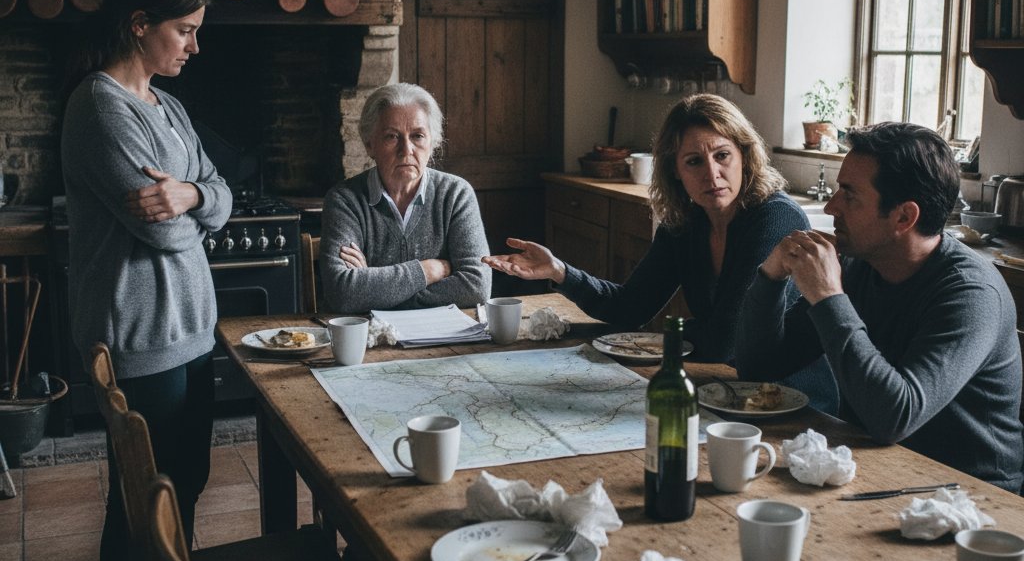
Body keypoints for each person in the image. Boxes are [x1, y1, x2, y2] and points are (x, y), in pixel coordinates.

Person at [61, 0, 231, 561]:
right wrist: (200, 207)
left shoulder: (167, 107)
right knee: (141, 499)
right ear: (139, 25)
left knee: (184, 484)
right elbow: (164, 236)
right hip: (139, 340)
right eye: (184, 31)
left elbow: (221, 196)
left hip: (193, 333)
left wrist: (190, 192)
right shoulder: (99, 107)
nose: (194, 46)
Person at [736, 122, 1023, 493]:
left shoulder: (971, 294)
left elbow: (894, 417)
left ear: (904, 217)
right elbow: (759, 367)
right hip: (876, 467)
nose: (831, 206)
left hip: (970, 495)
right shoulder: (861, 267)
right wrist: (771, 278)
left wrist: (828, 297)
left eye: (850, 195)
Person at [484, 93, 834, 388]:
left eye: (722, 155)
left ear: (745, 155)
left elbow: (727, 340)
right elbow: (631, 307)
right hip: (722, 384)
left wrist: (657, 339)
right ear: (675, 173)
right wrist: (559, 271)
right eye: (694, 161)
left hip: (787, 395)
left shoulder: (774, 217)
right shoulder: (686, 222)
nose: (712, 173)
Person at [320, 82, 491, 313]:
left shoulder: (456, 194)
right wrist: (429, 271)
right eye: (392, 136)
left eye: (418, 136)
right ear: (370, 144)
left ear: (433, 143)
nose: (406, 150)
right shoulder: (344, 200)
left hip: (443, 339)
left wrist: (373, 288)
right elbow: (343, 293)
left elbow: (476, 286)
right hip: (371, 342)